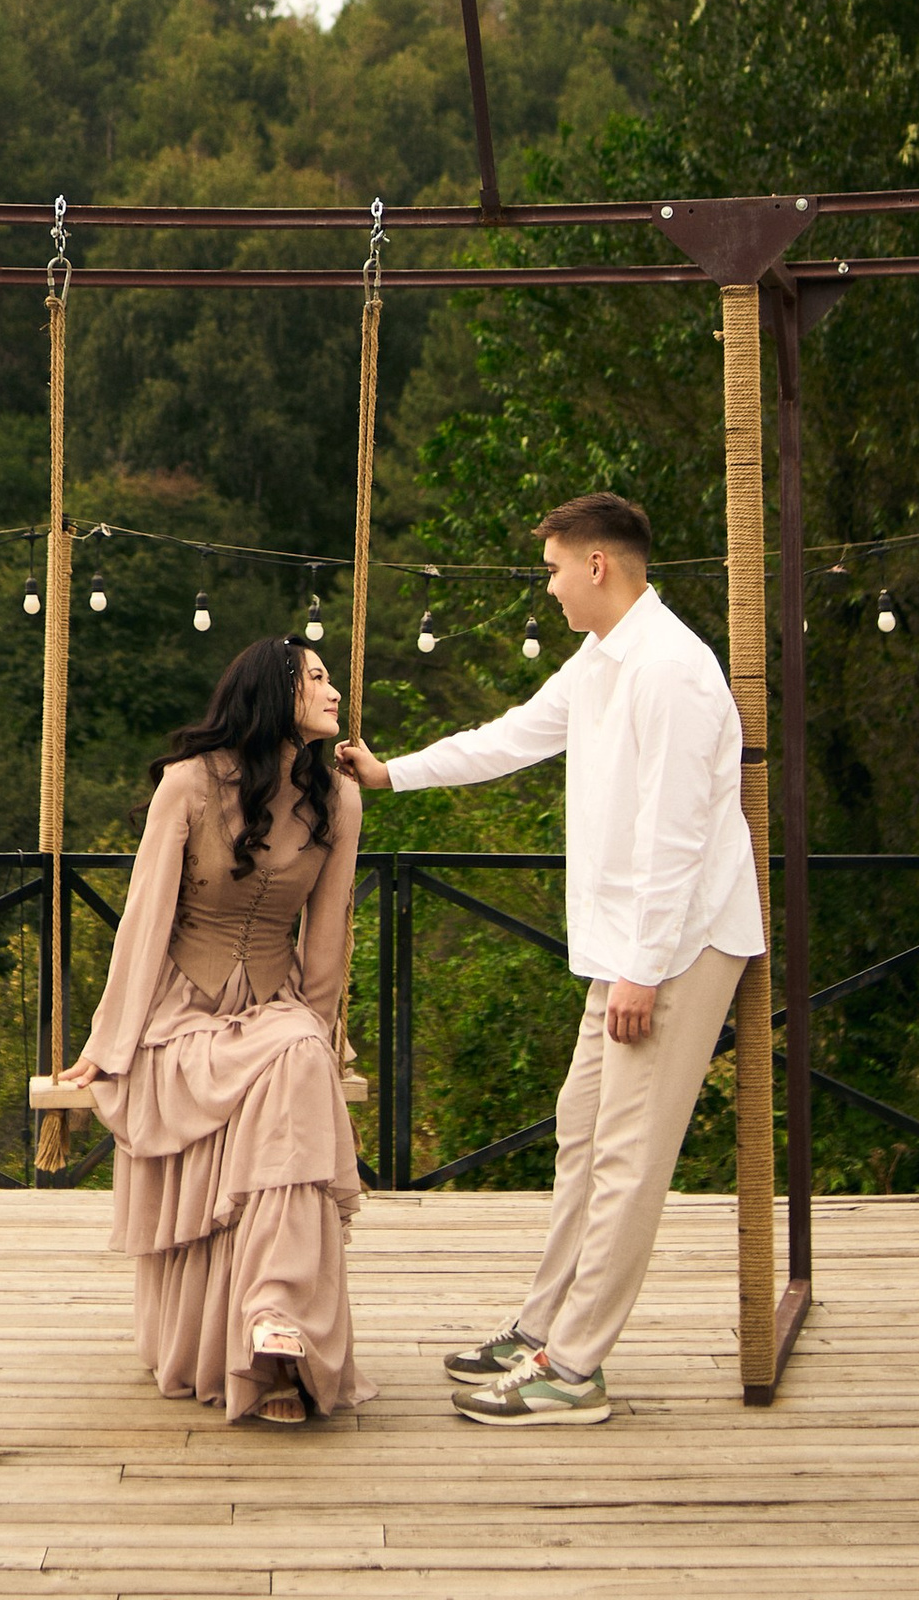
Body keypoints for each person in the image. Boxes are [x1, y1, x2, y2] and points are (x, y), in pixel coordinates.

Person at [338, 492, 760, 1429]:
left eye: (556, 568)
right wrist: (393, 771)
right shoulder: (602, 660)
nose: (553, 586)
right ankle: (542, 1326)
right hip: (629, 944)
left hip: (680, 944)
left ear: (599, 565)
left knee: (627, 1158)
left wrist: (644, 972)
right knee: (582, 1131)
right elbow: (516, 737)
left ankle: (574, 1369)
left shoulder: (673, 671)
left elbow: (679, 837)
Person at [57, 635, 370, 1427]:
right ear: (276, 695)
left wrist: (327, 1037)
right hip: (180, 1017)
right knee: (291, 1061)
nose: (335, 693)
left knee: (299, 1058)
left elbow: (326, 940)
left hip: (274, 1009)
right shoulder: (189, 786)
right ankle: (263, 1340)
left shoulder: (337, 797)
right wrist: (106, 1046)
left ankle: (276, 1319)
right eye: (319, 680)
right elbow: (144, 917)